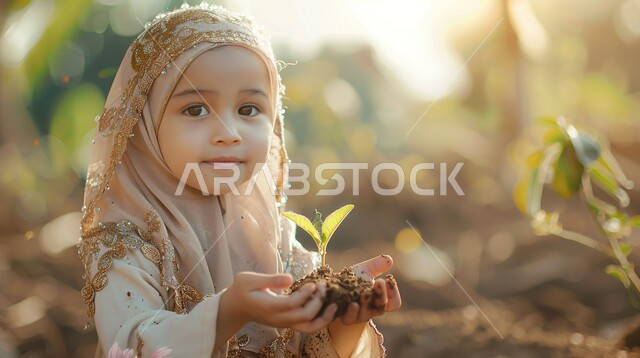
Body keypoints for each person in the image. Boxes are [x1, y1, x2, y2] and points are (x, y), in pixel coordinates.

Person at [77, 4, 401, 357]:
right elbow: (130, 344)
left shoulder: (270, 232)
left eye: (248, 110)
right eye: (195, 109)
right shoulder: (125, 242)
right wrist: (227, 312)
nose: (229, 133)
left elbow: (304, 346)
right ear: (144, 123)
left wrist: (343, 319)